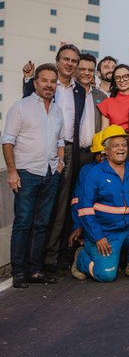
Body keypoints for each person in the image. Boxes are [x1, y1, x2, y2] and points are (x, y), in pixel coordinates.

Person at [23, 44, 87, 273]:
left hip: (68, 150)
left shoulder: (80, 91)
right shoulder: (49, 85)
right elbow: (28, 103)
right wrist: (27, 78)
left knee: (61, 205)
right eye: (66, 59)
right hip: (43, 150)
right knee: (41, 204)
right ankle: (32, 259)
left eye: (74, 61)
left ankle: (52, 257)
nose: (70, 64)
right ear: (58, 61)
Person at [71, 125, 129, 282]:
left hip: (128, 228)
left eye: (123, 145)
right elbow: (85, 210)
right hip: (104, 232)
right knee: (106, 275)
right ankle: (81, 258)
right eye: (115, 146)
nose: (121, 149)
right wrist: (98, 237)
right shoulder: (94, 174)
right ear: (106, 151)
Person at [2, 64, 65, 288]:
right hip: (26, 173)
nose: (49, 85)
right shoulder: (21, 107)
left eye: (53, 81)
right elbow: (7, 141)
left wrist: (60, 162)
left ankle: (35, 270)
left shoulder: (57, 110)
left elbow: (60, 139)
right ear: (35, 83)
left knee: (42, 224)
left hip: (50, 173)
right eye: (44, 81)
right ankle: (19, 272)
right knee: (23, 223)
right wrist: (12, 171)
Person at [75, 53, 107, 167]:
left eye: (90, 70)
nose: (87, 73)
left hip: (93, 154)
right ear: (75, 69)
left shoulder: (101, 96)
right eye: (82, 69)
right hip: (72, 153)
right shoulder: (68, 93)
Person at [98, 64, 129, 131]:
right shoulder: (107, 103)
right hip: (114, 137)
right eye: (117, 78)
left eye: (125, 76)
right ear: (115, 83)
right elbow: (104, 131)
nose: (121, 80)